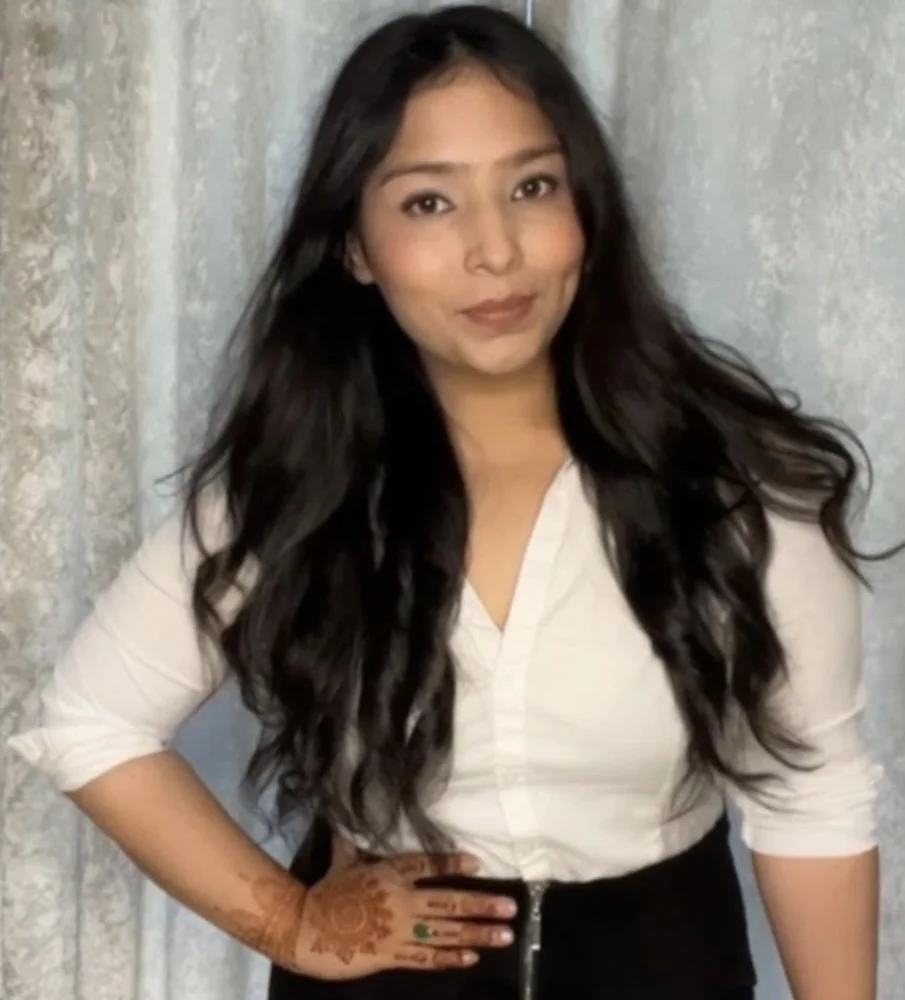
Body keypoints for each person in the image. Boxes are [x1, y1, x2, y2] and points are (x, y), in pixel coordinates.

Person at [7, 5, 893, 999]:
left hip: (663, 966)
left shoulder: (736, 485)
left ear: (585, 210)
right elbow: (89, 721)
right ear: (355, 247)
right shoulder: (291, 487)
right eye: (428, 203)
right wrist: (294, 923)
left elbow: (811, 792)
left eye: (530, 186)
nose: (494, 251)